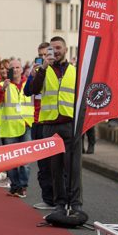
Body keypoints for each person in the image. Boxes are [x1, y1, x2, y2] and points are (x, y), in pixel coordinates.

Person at [30, 36, 82, 214]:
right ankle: (59, 203)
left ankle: (75, 204)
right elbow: (32, 90)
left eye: (58, 48)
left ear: (66, 50)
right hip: (50, 124)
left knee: (73, 168)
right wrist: (42, 68)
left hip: (70, 124)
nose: (55, 51)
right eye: (52, 49)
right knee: (56, 168)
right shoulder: (43, 70)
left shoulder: (76, 71)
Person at [0, 59, 34, 197]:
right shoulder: (4, 85)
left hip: (26, 124)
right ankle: (15, 185)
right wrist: (3, 88)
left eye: (17, 67)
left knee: (25, 159)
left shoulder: (28, 83)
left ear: (21, 69)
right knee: (11, 160)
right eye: (12, 68)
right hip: (10, 127)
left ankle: (22, 186)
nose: (15, 70)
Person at [25, 42, 54, 210]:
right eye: (40, 55)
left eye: (46, 54)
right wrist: (32, 74)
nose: (43, 58)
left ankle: (59, 199)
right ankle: (48, 198)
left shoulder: (56, 72)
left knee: (56, 165)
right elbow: (28, 91)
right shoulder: (38, 71)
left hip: (52, 121)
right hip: (37, 121)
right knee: (43, 165)